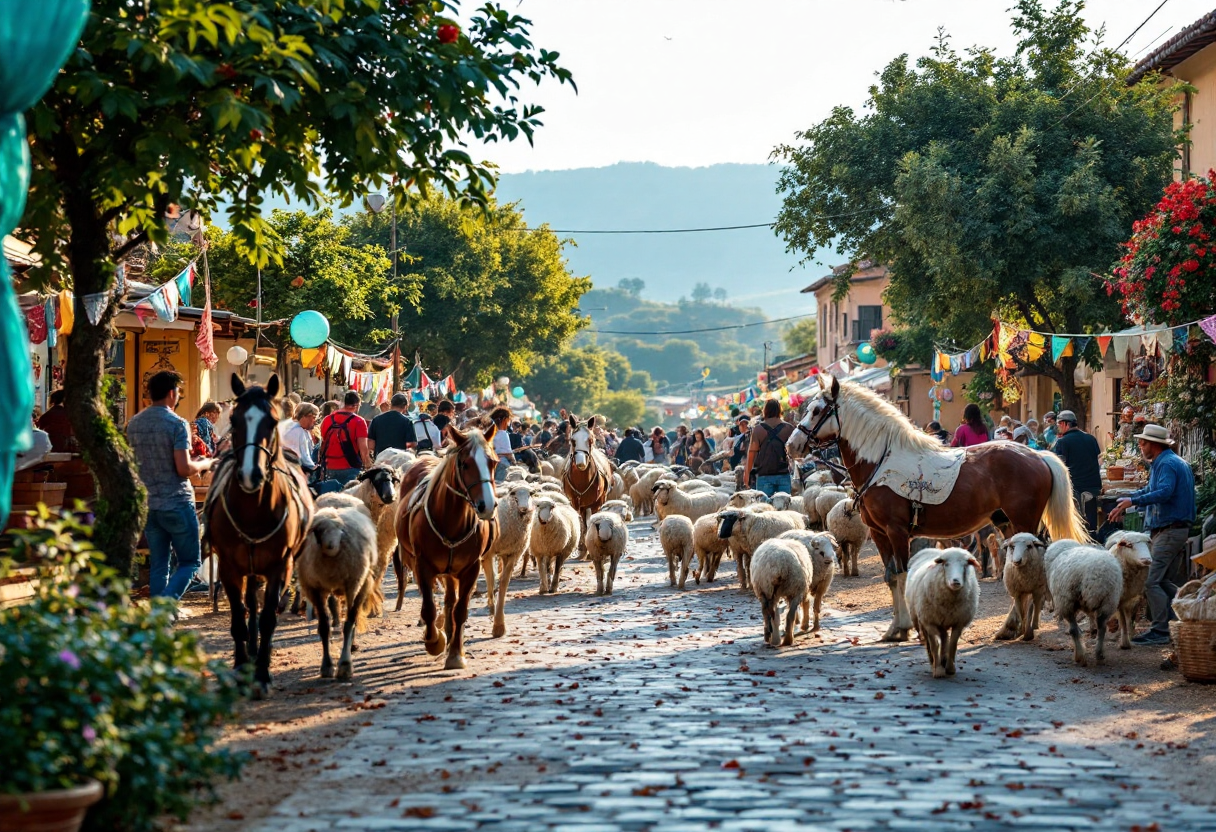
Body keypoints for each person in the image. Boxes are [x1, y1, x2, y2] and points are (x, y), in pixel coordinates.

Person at [125, 371, 213, 602]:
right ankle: (165, 606)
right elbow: (183, 468)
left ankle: (157, 615)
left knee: (159, 563)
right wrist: (204, 463)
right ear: (172, 393)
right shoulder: (177, 423)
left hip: (148, 504)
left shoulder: (133, 424)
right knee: (190, 562)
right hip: (176, 502)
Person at [1109, 424, 1196, 646]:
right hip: (1170, 529)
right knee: (1163, 580)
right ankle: (1189, 613)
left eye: (1143, 442)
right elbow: (1150, 490)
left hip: (1170, 529)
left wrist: (1134, 500)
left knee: (1151, 581)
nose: (1140, 445)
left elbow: (1165, 492)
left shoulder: (1167, 463)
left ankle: (1161, 630)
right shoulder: (1164, 462)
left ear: (1155, 445)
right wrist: (1127, 499)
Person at [1052, 410, 1102, 532]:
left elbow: (1060, 466)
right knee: (1091, 524)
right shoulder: (1091, 438)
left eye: (1059, 424)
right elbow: (1097, 459)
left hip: (1075, 489)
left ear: (1065, 423)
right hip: (1093, 487)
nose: (1059, 427)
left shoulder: (1063, 442)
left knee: (1077, 526)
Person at [318, 391, 370, 488]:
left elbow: (323, 443)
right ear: (357, 405)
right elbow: (363, 449)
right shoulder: (358, 421)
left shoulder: (327, 419)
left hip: (329, 467)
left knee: (330, 499)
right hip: (350, 467)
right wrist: (368, 467)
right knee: (348, 500)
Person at [744, 399, 794, 497]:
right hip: (784, 475)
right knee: (785, 510)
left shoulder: (758, 429)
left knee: (764, 510)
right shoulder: (789, 428)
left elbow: (751, 454)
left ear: (765, 410)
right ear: (779, 410)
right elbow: (795, 453)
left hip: (764, 476)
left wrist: (747, 474)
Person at [368, 393, 416, 459]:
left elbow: (370, 444)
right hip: (399, 460)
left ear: (391, 404)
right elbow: (412, 444)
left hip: (380, 458)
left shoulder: (376, 420)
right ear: (405, 407)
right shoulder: (407, 422)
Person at [279, 401, 318, 473]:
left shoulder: (291, 427)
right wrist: (315, 468)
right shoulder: (299, 432)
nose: (315, 421)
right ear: (305, 416)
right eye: (313, 417)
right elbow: (304, 457)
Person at [490, 407, 515, 482]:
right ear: (504, 420)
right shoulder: (503, 434)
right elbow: (508, 453)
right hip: (502, 465)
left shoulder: (488, 433)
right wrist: (514, 460)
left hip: (489, 463)